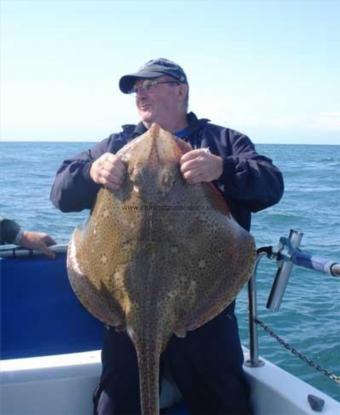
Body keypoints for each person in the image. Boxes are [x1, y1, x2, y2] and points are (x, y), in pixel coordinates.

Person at [50, 58, 284, 415]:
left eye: (151, 85)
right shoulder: (117, 143)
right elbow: (60, 193)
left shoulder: (221, 141)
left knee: (222, 404)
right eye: (136, 89)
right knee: (116, 406)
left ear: (181, 89)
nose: (140, 93)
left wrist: (222, 168)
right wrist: (91, 172)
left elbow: (270, 184)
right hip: (126, 315)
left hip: (204, 314)